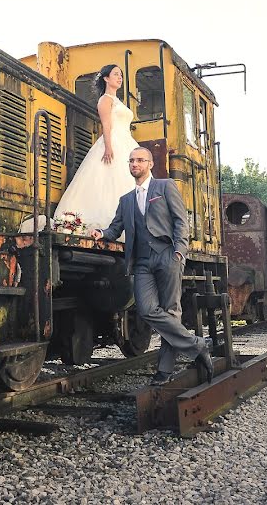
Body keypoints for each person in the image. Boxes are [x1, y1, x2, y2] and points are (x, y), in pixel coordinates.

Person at [90, 147, 214, 385]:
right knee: (147, 310)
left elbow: (181, 220)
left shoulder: (165, 186)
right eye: (131, 161)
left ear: (149, 164)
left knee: (170, 312)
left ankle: (164, 371)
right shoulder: (125, 200)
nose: (134, 164)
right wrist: (101, 233)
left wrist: (180, 251)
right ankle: (197, 345)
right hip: (142, 261)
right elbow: (116, 229)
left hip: (168, 254)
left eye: (139, 160)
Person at [50, 64, 140, 234]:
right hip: (113, 141)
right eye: (115, 74)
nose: (119, 78)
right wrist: (108, 147)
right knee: (108, 181)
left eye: (120, 75)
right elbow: (106, 125)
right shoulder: (105, 100)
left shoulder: (119, 101)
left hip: (127, 142)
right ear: (106, 78)